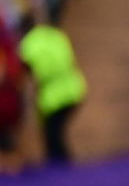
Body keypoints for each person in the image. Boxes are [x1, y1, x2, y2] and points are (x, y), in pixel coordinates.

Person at [18, 12, 85, 164]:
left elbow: (27, 75)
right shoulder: (54, 35)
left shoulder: (27, 44)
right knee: (56, 134)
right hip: (74, 88)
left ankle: (60, 173)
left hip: (53, 97)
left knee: (52, 137)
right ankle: (63, 169)